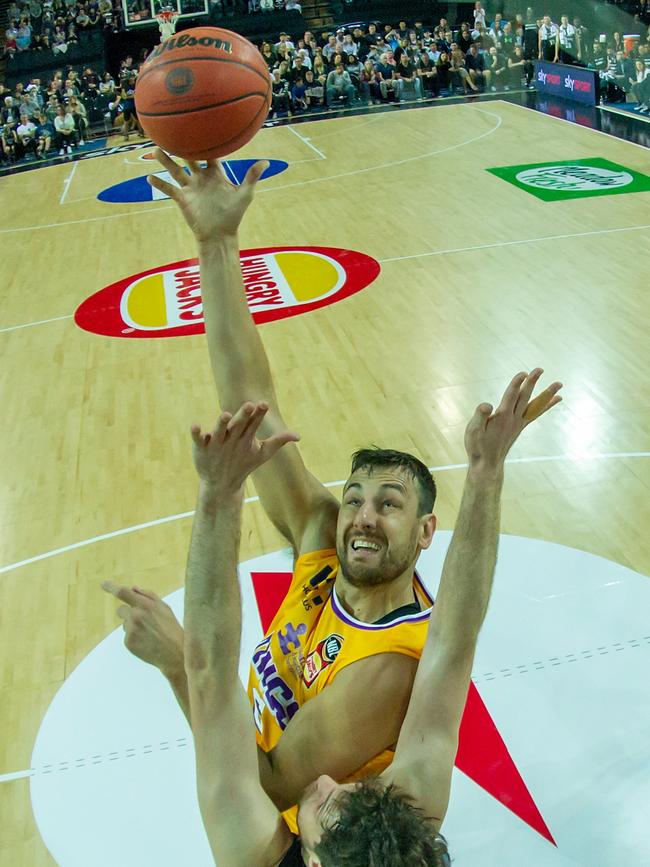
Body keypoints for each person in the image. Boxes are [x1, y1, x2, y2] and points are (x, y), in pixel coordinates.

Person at [104, 154, 562, 863]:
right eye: (356, 497)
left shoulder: (382, 673)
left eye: (389, 504)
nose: (363, 516)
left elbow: (259, 776)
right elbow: (252, 404)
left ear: (426, 531)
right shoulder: (325, 533)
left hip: (260, 777)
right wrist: (217, 245)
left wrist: (180, 662)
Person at [113, 364, 560, 866]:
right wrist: (485, 472)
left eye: (328, 806)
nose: (330, 782)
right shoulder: (402, 829)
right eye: (361, 793)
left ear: (313, 861)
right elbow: (453, 643)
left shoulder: (255, 856)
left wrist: (218, 496)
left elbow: (210, 674)